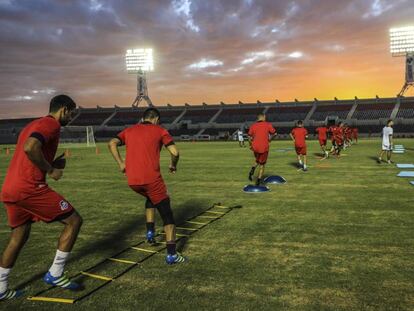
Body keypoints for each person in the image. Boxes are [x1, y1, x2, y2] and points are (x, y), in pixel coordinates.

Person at [0, 95, 83, 301]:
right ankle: (55, 274)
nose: (71, 118)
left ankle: (0, 287)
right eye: (72, 113)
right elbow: (30, 148)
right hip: (30, 189)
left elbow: (30, 151)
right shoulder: (50, 124)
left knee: (19, 235)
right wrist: (51, 169)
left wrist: (51, 162)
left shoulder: (34, 124)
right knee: (74, 221)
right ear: (64, 109)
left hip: (11, 188)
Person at [108, 108, 185, 264]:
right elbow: (175, 152)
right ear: (156, 119)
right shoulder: (160, 130)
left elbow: (112, 143)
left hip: (133, 181)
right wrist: (173, 165)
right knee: (167, 215)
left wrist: (121, 164)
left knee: (151, 197)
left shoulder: (129, 130)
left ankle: (150, 232)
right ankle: (172, 255)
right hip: (152, 180)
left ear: (142, 118)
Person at [247, 113, 276, 185]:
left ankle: (252, 170)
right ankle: (258, 181)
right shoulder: (268, 124)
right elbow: (275, 133)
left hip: (255, 147)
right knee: (262, 165)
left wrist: (251, 145)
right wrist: (270, 139)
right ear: (263, 117)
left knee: (257, 160)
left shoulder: (253, 126)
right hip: (264, 147)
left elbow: (249, 137)